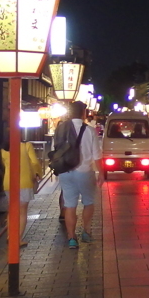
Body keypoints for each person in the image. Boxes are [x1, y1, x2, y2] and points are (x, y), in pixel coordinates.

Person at [55, 101, 102, 249]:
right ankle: (86, 232)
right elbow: (97, 155)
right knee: (88, 202)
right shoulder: (89, 131)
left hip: (65, 172)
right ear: (83, 113)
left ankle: (71, 238)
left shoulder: (60, 129)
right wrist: (101, 173)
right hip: (84, 172)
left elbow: (54, 150)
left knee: (69, 205)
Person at [1, 138, 42, 246]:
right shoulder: (26, 145)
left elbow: (5, 164)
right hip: (24, 182)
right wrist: (37, 174)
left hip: (8, 182)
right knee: (22, 211)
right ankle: (17, 239)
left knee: (12, 210)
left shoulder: (3, 149)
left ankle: (10, 236)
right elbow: (34, 162)